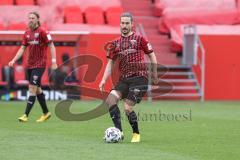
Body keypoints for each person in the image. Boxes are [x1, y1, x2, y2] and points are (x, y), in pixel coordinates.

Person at [99, 12, 159, 143]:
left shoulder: (140, 39)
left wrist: (154, 74)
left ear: (132, 24)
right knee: (110, 100)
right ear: (120, 24)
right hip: (124, 79)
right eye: (122, 23)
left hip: (139, 78)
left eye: (127, 23)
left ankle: (136, 133)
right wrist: (103, 79)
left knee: (127, 108)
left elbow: (152, 55)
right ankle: (119, 132)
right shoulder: (115, 43)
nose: (124, 25)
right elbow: (111, 62)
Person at [8, 11, 57, 122]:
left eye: (33, 18)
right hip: (29, 65)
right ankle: (46, 113)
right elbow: (22, 48)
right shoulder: (26, 33)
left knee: (32, 89)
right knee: (38, 89)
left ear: (38, 19)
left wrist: (54, 61)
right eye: (29, 18)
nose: (30, 20)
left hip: (40, 65)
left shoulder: (43, 32)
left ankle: (25, 115)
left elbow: (52, 45)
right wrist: (13, 60)